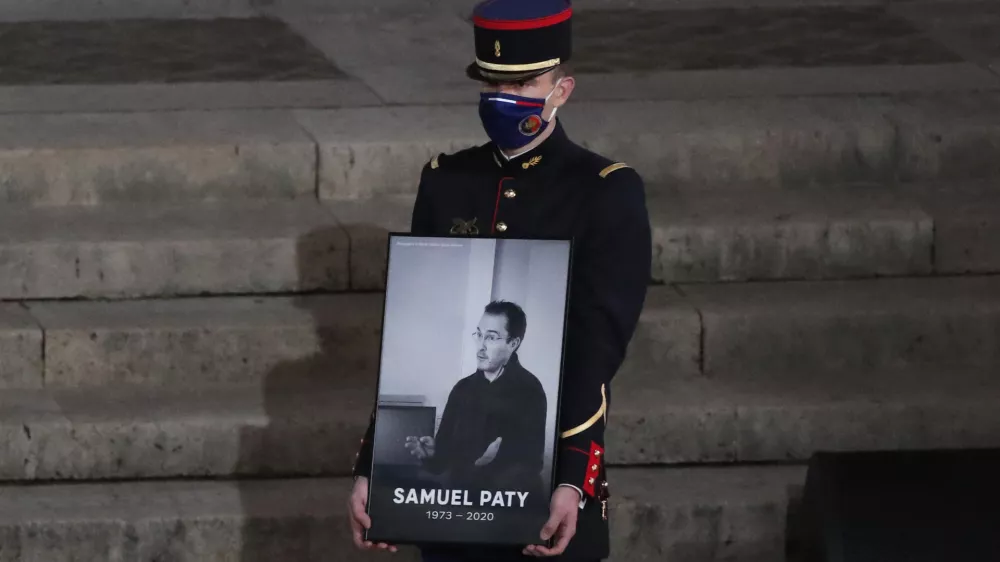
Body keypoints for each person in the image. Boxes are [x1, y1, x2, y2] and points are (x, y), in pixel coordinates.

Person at [348, 0, 652, 559]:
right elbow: (398, 334)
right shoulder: (447, 181)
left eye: (524, 82)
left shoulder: (605, 191)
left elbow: (594, 352)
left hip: (540, 506)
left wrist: (571, 479)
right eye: (490, 81)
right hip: (449, 523)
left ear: (563, 89)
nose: (501, 97)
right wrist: (374, 470)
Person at [404, 300, 547, 503]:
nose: (481, 345)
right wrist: (432, 454)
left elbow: (531, 464)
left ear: (513, 344)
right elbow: (442, 462)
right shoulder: (462, 389)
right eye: (479, 335)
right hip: (461, 500)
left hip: (508, 509)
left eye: (491, 337)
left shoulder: (529, 390)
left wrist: (486, 464)